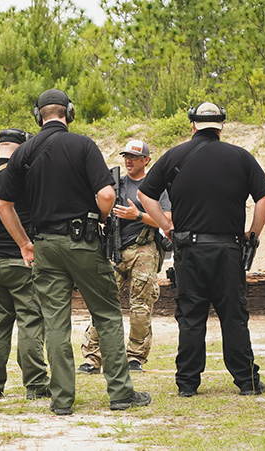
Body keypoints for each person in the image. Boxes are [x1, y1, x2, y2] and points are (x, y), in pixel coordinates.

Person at [0, 89, 151, 414]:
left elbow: (3, 206)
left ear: (39, 116)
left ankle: (62, 400)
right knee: (106, 315)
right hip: (83, 242)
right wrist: (101, 220)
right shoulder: (83, 145)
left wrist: (25, 243)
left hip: (45, 246)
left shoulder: (23, 152)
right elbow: (107, 195)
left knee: (55, 322)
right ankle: (121, 394)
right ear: (69, 112)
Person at [138, 102, 265, 397]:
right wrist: (252, 234)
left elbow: (144, 194)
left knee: (191, 317)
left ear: (192, 125)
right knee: (234, 316)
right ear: (221, 126)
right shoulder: (240, 156)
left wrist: (166, 227)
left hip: (189, 249)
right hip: (228, 250)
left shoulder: (174, 155)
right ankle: (247, 382)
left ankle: (187, 384)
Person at [78, 140, 171, 374]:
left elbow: (167, 220)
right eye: (126, 156)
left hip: (145, 248)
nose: (128, 160)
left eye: (134, 156)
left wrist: (137, 215)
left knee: (141, 306)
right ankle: (92, 358)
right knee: (102, 303)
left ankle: (135, 358)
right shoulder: (115, 183)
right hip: (114, 249)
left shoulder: (156, 187)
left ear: (145, 160)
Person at [0, 128, 50, 399]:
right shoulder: (24, 175)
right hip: (23, 260)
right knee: (30, 321)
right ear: (21, 148)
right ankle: (36, 385)